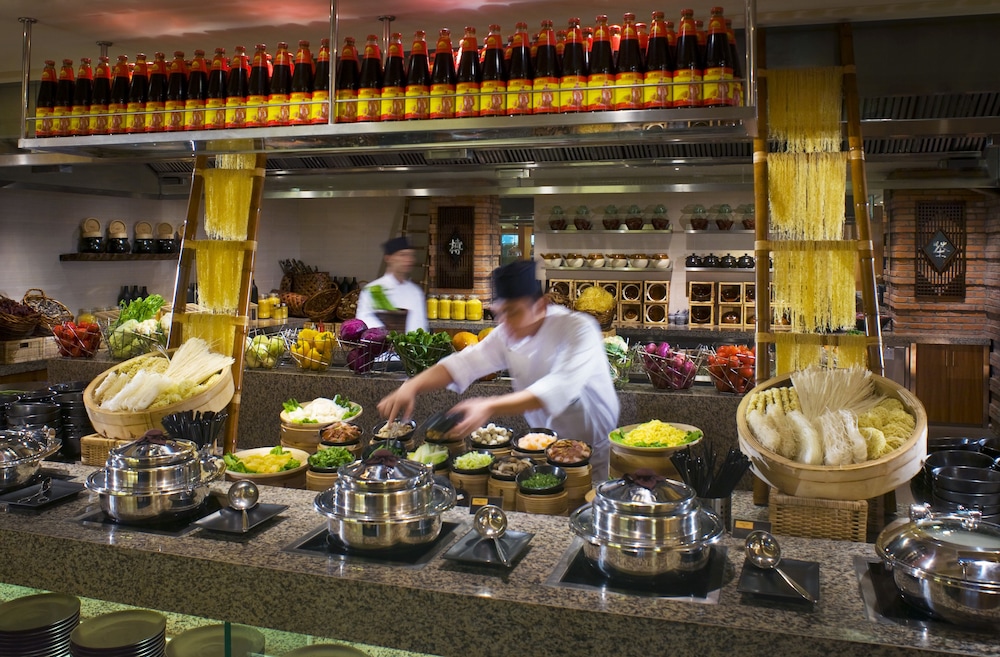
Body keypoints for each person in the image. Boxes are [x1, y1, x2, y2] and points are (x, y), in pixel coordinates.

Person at [377, 260, 620, 480]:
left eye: (514, 312)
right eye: (500, 313)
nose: (506, 322)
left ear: (541, 306)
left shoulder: (579, 328)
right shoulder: (507, 332)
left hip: (595, 457)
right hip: (543, 450)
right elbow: (463, 363)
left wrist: (488, 406)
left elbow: (558, 387)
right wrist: (412, 385)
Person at [356, 236, 428, 333]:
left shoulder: (416, 292)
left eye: (411, 255)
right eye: (402, 255)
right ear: (388, 258)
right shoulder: (373, 290)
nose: (409, 259)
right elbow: (363, 323)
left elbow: (421, 326)